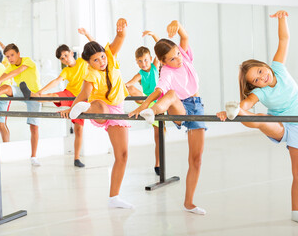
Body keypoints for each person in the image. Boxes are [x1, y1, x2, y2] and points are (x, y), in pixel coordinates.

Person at [216, 10, 298, 225]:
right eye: (256, 80)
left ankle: (296, 211)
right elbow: (245, 104)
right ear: (255, 86)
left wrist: (282, 18)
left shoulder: (278, 68)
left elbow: (284, 39)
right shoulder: (260, 92)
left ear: (265, 65)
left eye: (260, 71)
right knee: (258, 116)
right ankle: (235, 115)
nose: (262, 77)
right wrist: (234, 110)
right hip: (279, 125)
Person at [129, 20, 207, 215]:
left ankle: (189, 203)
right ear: (163, 62)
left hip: (197, 107)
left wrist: (178, 24)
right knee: (170, 93)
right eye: (172, 59)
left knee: (196, 160)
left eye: (178, 54)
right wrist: (146, 105)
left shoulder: (185, 58)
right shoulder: (166, 72)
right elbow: (159, 90)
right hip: (179, 108)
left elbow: (185, 37)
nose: (178, 60)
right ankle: (152, 113)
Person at [60, 18, 134, 209]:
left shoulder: (110, 57)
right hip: (100, 108)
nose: (101, 61)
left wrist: (121, 27)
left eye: (102, 57)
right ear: (88, 63)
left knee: (123, 155)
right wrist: (72, 108)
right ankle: (86, 109)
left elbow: (120, 37)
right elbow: (83, 94)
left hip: (118, 109)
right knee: (97, 106)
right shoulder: (91, 74)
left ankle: (114, 198)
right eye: (95, 60)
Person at [19, 28, 94, 168]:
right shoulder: (66, 70)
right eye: (62, 58)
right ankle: (33, 95)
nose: (65, 59)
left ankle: (76, 159)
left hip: (83, 97)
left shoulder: (84, 62)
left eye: (66, 55)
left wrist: (86, 34)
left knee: (78, 129)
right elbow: (56, 82)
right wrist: (40, 91)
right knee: (52, 95)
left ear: (72, 53)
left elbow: (96, 48)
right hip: (70, 94)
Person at [125, 30, 162, 175]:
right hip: (147, 101)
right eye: (140, 61)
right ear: (136, 61)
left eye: (145, 60)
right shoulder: (139, 74)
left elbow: (161, 47)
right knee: (131, 88)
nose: (143, 63)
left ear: (150, 58)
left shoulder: (154, 67)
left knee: (158, 136)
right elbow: (128, 85)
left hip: (158, 100)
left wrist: (153, 35)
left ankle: (158, 164)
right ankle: (145, 109)